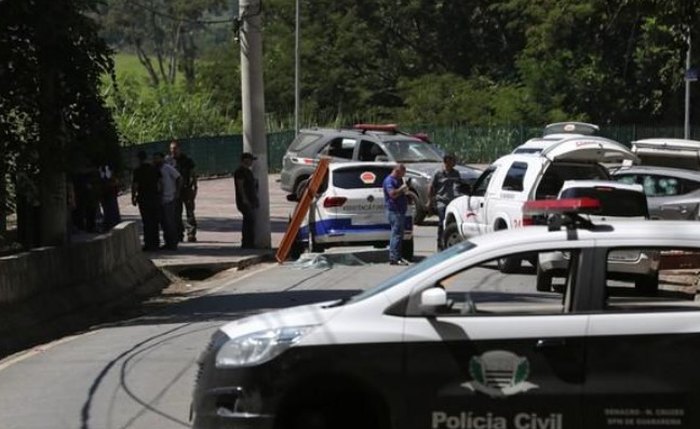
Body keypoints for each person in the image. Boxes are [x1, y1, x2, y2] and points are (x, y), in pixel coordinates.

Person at [167, 140, 198, 242]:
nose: (173, 151)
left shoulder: (187, 160)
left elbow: (193, 174)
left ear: (179, 149)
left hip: (186, 188)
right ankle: (178, 234)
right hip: (174, 190)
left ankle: (191, 233)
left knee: (190, 211)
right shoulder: (169, 161)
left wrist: (195, 187)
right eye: (171, 149)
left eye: (175, 148)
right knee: (176, 213)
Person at [430, 154, 461, 251]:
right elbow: (431, 187)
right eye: (452, 161)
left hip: (453, 202)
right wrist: (430, 201)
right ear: (446, 162)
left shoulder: (456, 173)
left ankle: (449, 244)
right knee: (442, 222)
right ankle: (440, 245)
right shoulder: (438, 173)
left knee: (451, 224)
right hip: (441, 201)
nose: (454, 163)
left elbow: (459, 186)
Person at [131, 150, 161, 251]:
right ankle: (156, 243)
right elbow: (160, 183)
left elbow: (135, 185)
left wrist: (133, 197)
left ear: (139, 159)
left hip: (144, 198)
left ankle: (148, 243)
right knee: (155, 220)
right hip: (154, 197)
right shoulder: (154, 168)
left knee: (147, 221)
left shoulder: (137, 170)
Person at [153, 152, 182, 250]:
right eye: (154, 158)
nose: (156, 160)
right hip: (160, 200)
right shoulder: (155, 169)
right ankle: (168, 242)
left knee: (170, 222)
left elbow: (179, 177)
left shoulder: (167, 168)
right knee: (164, 223)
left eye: (158, 158)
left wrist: (177, 192)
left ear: (162, 159)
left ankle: (173, 243)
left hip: (169, 198)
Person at [383, 163, 410, 265]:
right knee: (396, 234)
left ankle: (398, 256)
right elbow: (392, 194)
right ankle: (394, 257)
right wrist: (402, 188)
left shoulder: (399, 180)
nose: (402, 176)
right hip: (394, 211)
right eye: (402, 173)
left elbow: (402, 192)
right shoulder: (389, 180)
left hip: (401, 210)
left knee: (400, 234)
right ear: (397, 171)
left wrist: (405, 189)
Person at [234, 152, 259, 249]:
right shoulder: (240, 172)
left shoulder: (248, 171)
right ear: (245, 160)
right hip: (245, 201)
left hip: (250, 199)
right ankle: (246, 242)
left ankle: (249, 242)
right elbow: (240, 186)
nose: (252, 162)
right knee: (248, 221)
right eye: (251, 160)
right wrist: (244, 199)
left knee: (250, 221)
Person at [98, 164, 121, 231]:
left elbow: (114, 181)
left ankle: (111, 223)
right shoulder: (102, 171)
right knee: (108, 208)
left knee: (110, 208)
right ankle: (109, 223)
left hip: (109, 192)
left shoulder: (108, 171)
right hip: (106, 193)